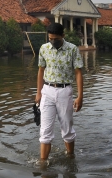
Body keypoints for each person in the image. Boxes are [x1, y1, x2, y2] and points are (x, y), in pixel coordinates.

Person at [35, 22, 83, 164]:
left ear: (63, 35)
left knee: (67, 129)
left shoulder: (72, 49)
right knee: (45, 131)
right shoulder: (44, 49)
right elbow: (40, 71)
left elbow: (78, 73)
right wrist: (38, 93)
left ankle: (70, 158)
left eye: (56, 39)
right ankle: (43, 164)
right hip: (47, 91)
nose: (53, 41)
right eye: (50, 38)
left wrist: (80, 96)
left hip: (64, 91)